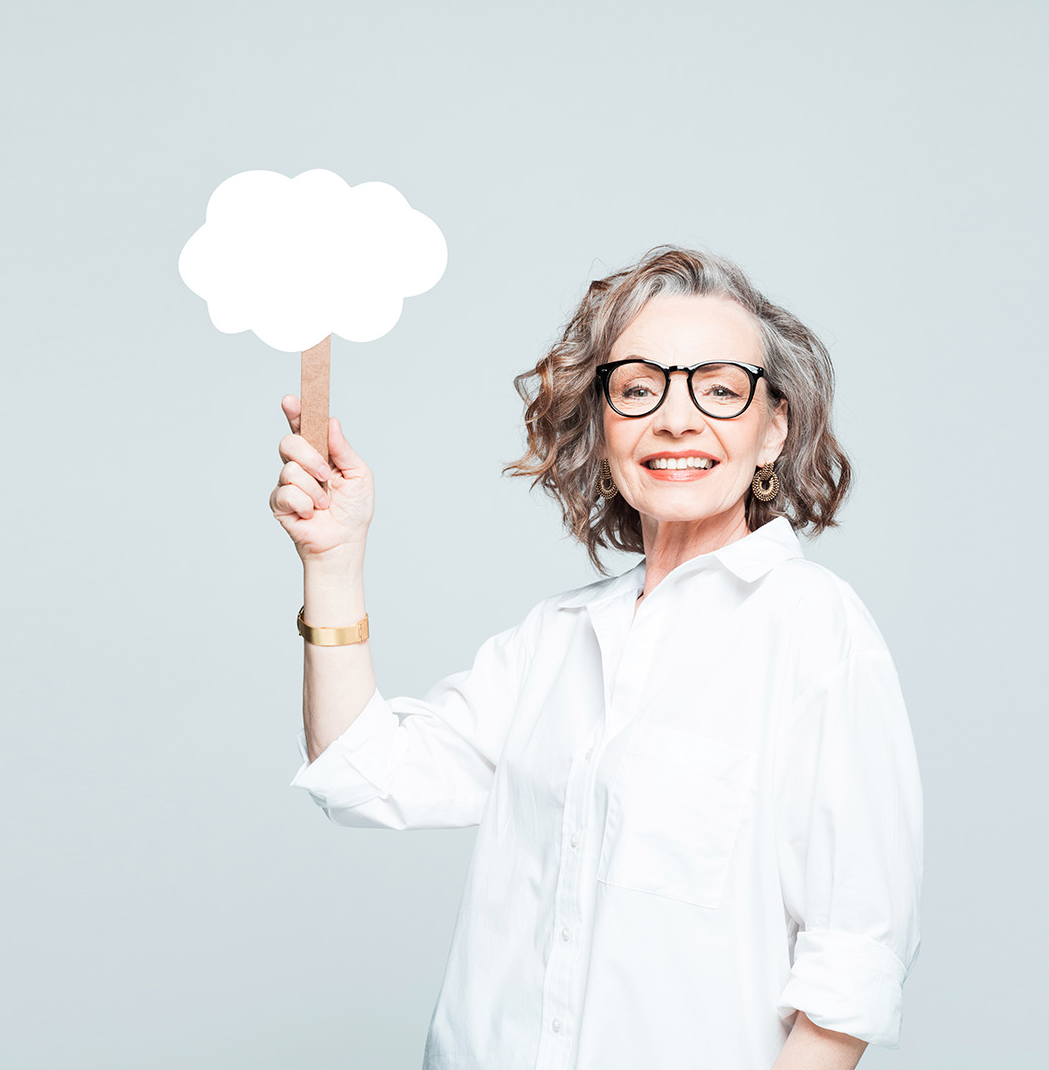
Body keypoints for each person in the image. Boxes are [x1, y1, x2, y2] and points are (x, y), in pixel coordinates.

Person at [275, 246, 923, 1070]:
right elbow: (363, 774)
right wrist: (333, 564)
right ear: (603, 422)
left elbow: (852, 961)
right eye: (639, 387)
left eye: (720, 389)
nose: (677, 419)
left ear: (775, 429)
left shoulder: (814, 631)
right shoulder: (557, 638)